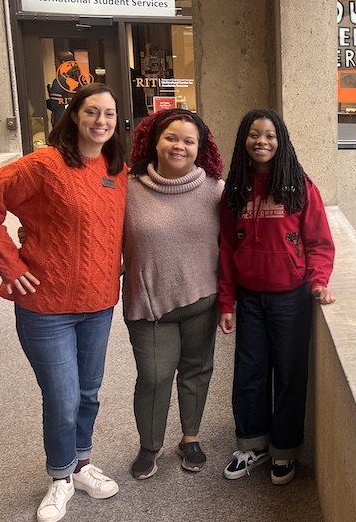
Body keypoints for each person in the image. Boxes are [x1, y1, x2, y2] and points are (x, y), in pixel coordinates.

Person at [0, 83, 127, 522]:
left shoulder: (117, 166)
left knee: (88, 393)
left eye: (109, 114)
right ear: (74, 115)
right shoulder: (44, 164)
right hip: (45, 305)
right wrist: (10, 266)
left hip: (98, 304)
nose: (101, 122)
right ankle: (60, 477)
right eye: (92, 112)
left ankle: (82, 463)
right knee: (63, 397)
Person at [218, 108, 335, 485]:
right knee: (249, 374)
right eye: (254, 134)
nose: (262, 142)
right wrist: (226, 302)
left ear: (280, 141)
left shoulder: (299, 186)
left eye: (270, 135)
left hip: (291, 300)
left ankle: (284, 450)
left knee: (289, 375)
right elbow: (225, 250)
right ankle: (252, 445)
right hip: (250, 299)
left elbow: (318, 241)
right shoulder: (234, 189)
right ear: (244, 140)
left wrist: (318, 281)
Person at [123, 108, 224, 480]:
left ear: (200, 148)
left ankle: (190, 438)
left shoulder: (216, 190)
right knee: (153, 376)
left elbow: (234, 244)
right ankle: (150, 445)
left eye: (188, 140)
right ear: (154, 141)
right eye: (171, 138)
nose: (178, 146)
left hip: (203, 299)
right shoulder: (127, 188)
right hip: (148, 304)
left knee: (196, 371)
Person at [47, 51, 81, 128]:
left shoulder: (60, 81)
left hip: (62, 122)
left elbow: (55, 105)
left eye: (56, 63)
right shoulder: (81, 80)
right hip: (77, 120)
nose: (55, 66)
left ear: (62, 63)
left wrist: (45, 103)